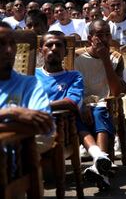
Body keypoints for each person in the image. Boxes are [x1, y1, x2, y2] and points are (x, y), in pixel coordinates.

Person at [35, 30, 113, 190]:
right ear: (40, 50)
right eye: (49, 45)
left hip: (61, 128)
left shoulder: (74, 76)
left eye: (58, 45)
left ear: (65, 51)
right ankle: (99, 157)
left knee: (82, 114)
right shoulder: (31, 75)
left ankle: (99, 159)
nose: (54, 48)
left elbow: (71, 102)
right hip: (34, 126)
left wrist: (37, 105)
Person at [75, 19, 126, 189]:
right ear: (90, 38)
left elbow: (116, 91)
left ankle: (99, 166)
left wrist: (105, 59)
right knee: (91, 112)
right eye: (99, 35)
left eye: (107, 35)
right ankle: (102, 165)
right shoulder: (78, 59)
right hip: (83, 103)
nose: (104, 39)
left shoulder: (115, 58)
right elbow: (76, 88)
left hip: (104, 103)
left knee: (100, 111)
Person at [0, 22, 53, 151]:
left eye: (12, 43)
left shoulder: (30, 84)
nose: (9, 50)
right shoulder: (14, 111)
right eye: (1, 43)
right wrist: (12, 112)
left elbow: (44, 126)